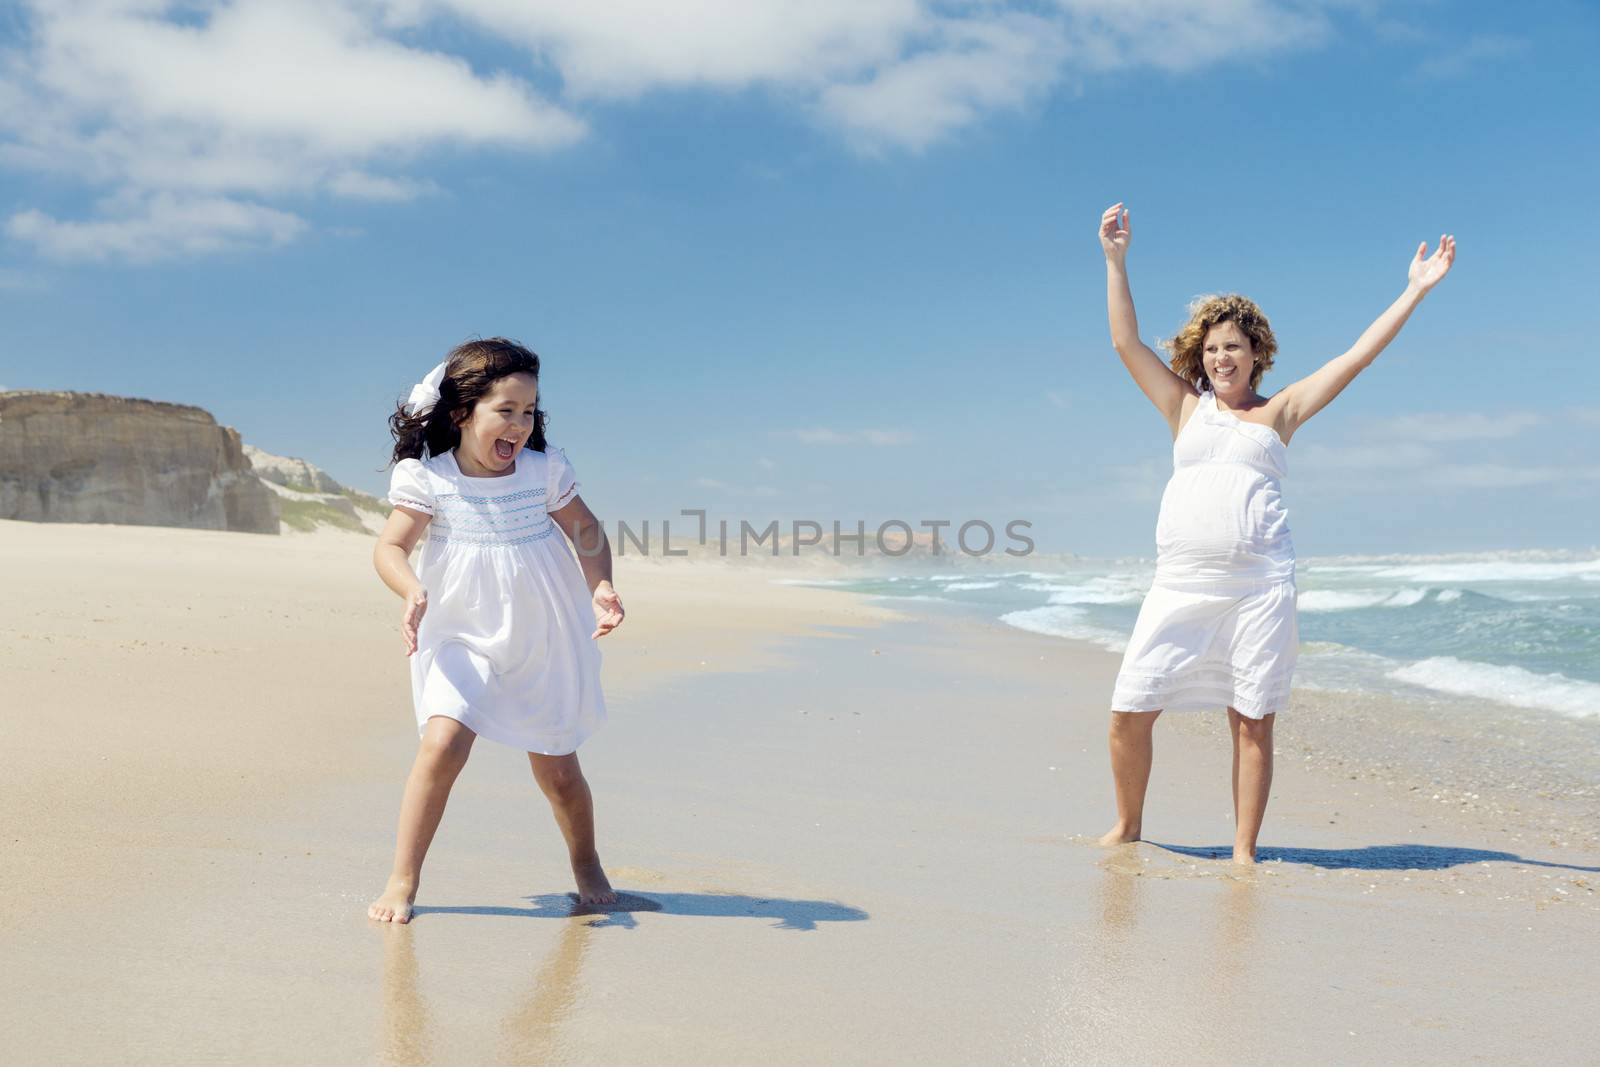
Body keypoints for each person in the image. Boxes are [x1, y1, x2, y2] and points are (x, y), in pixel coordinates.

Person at [1095, 202, 1455, 863]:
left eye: (1233, 345)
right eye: (1211, 348)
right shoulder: (1184, 406)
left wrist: (1414, 288)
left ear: (1256, 352)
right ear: (1199, 359)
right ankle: (1128, 824)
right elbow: (1125, 342)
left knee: (1252, 720)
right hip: (1179, 586)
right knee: (1129, 708)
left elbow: (1355, 358)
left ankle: (1242, 848)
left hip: (1259, 587)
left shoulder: (1280, 411)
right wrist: (1116, 261)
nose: (1221, 355)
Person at [367, 337, 626, 922]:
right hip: (460, 628)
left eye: (529, 411)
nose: (519, 424)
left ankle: (585, 861)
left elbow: (585, 531)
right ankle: (402, 879)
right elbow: (390, 547)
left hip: (542, 631)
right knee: (443, 743)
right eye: (505, 411)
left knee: (558, 768)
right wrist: (410, 587)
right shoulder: (428, 480)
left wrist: (602, 586)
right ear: (462, 413)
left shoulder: (542, 471)